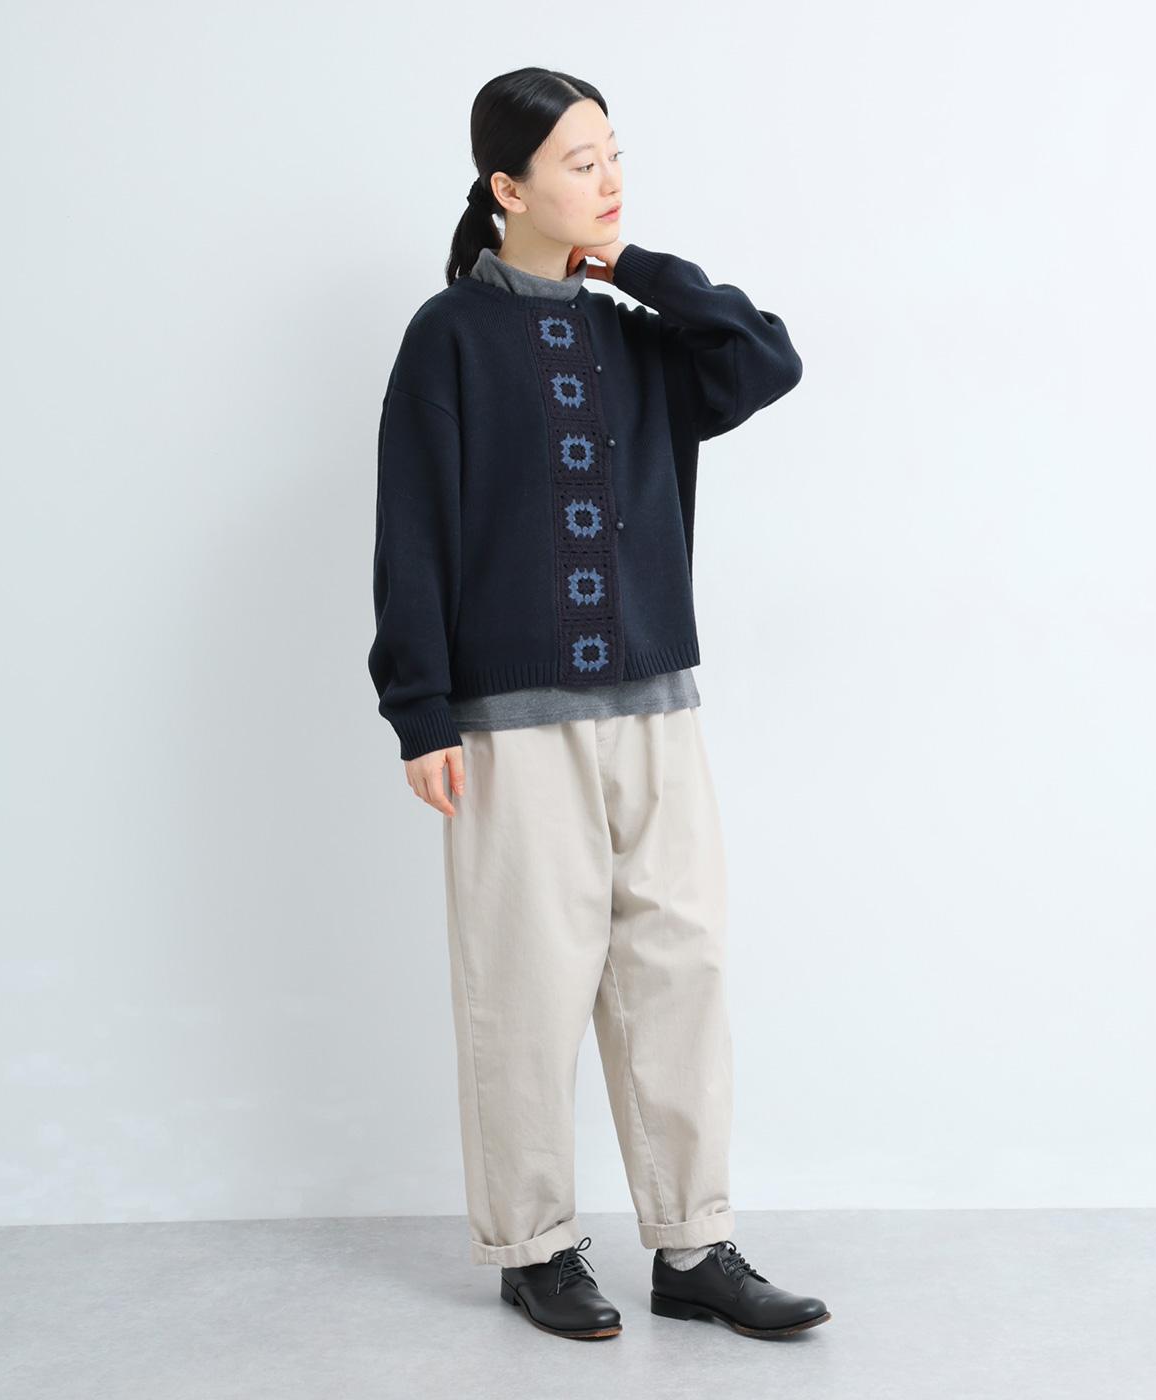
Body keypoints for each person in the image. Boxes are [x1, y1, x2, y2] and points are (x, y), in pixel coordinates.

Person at [368, 67, 830, 1342]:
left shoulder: (641, 333)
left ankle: (694, 1242)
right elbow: (414, 527)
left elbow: (767, 358)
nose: (610, 179)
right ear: (508, 189)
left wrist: (641, 268)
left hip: (657, 704)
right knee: (524, 986)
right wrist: (420, 709)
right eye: (581, 162)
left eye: (615, 153)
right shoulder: (448, 337)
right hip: (512, 719)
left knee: (681, 967)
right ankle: (534, 1246)